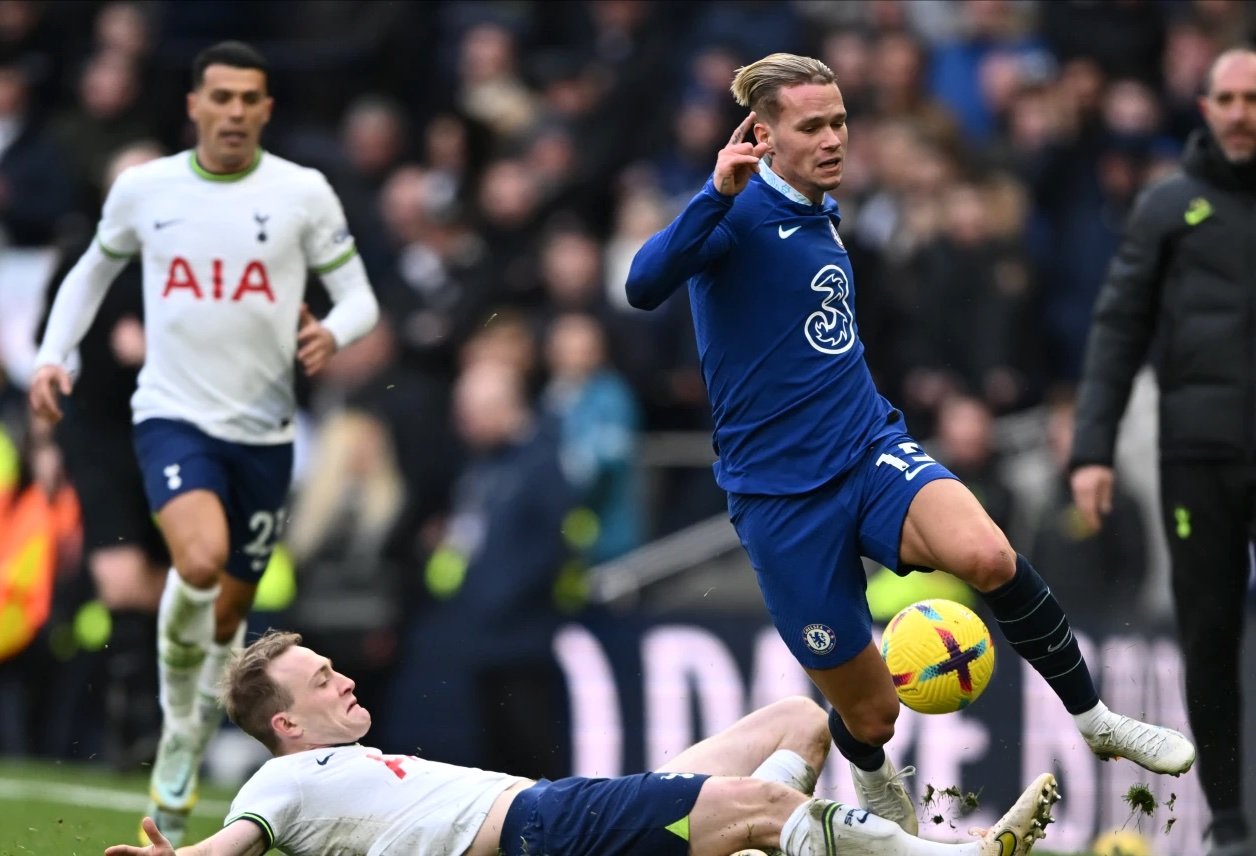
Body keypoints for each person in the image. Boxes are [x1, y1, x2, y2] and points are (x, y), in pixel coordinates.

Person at [625, 51, 1195, 837]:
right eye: (812, 126)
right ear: (762, 134)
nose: (833, 140)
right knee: (871, 712)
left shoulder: (825, 209)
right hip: (778, 500)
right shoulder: (733, 218)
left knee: (990, 556)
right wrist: (712, 193)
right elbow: (641, 284)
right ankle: (873, 779)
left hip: (866, 451)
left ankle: (1096, 720)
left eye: (840, 123)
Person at [28, 40, 379, 846]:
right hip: (173, 415)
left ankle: (184, 726)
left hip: (263, 433)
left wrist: (332, 329)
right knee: (195, 558)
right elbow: (88, 271)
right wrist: (55, 354)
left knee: (225, 619)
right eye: (218, 96)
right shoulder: (146, 189)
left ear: (265, 109)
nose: (232, 111)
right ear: (195, 105)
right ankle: (177, 723)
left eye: (248, 98)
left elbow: (362, 298)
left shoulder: (302, 193)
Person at [103, 629, 1060, 856]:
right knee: (770, 809)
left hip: (561, 806)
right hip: (537, 832)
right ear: (283, 723)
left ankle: (882, 830)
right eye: (322, 682)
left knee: (802, 719)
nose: (343, 678)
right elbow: (236, 843)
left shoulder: (335, 765)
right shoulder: (287, 784)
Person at [1070, 47, 1256, 856]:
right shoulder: (1165, 208)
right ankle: (1231, 825)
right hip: (1199, 457)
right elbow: (1118, 329)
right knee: (1208, 641)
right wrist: (1091, 449)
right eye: (1228, 97)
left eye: (1255, 98)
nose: (1242, 112)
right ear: (1205, 106)